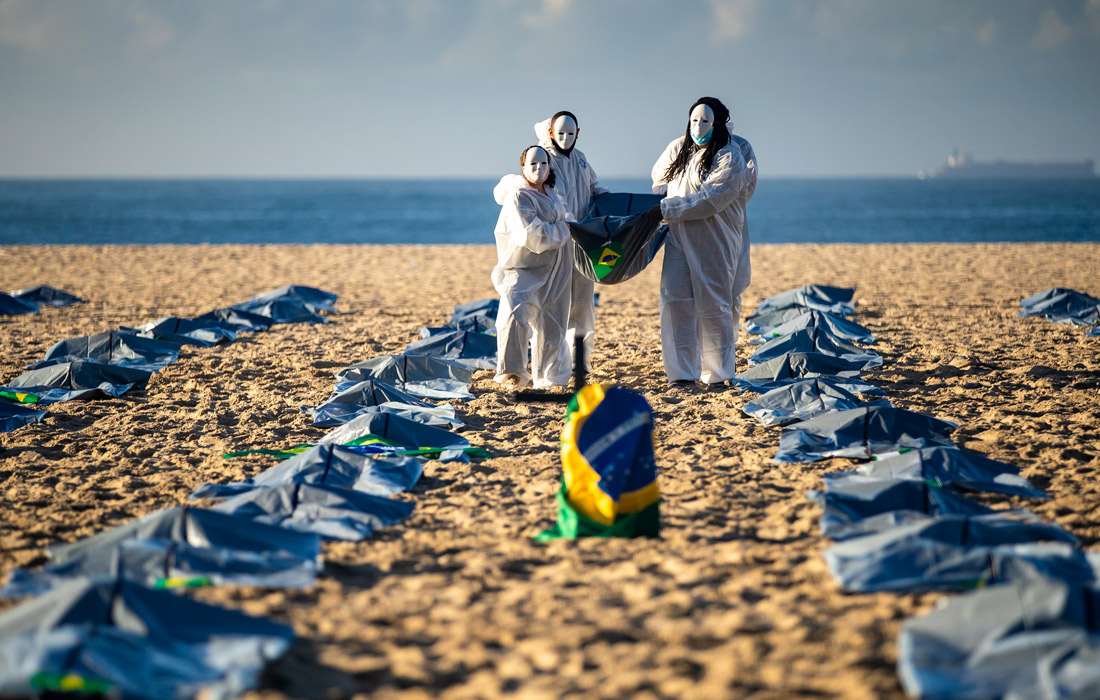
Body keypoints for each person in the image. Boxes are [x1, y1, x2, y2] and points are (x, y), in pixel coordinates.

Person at [651, 96, 756, 388]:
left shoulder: (730, 156)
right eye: (694, 120)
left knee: (714, 306)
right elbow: (658, 179)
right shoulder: (679, 150)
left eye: (705, 121)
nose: (698, 126)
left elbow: (710, 200)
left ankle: (718, 374)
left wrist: (666, 209)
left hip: (715, 240)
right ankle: (682, 374)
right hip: (678, 238)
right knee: (675, 302)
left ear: (718, 124)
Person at [491, 145, 574, 389]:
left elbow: (564, 218)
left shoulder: (553, 192)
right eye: (533, 164)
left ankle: (550, 378)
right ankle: (512, 373)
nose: (538, 169)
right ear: (523, 168)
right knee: (514, 315)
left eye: (543, 164)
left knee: (553, 322)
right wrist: (564, 230)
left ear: (550, 168)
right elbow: (531, 234)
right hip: (522, 267)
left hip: (556, 268)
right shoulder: (520, 196)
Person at [534, 111, 610, 372]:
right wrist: (570, 224)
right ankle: (552, 363)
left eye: (571, 133)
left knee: (583, 303)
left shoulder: (580, 159)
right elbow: (557, 196)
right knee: (555, 303)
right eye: (561, 133)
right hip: (561, 241)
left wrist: (609, 200)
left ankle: (580, 362)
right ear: (552, 133)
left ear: (578, 133)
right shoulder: (546, 160)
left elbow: (594, 186)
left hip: (584, 241)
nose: (565, 139)